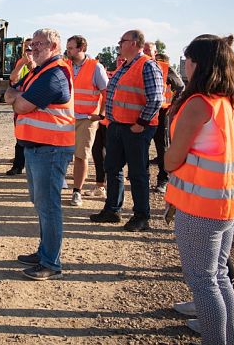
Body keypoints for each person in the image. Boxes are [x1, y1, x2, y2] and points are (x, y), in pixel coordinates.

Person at [163, 34, 234, 345]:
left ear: (198, 63)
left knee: (203, 280)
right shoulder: (233, 101)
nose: (183, 65)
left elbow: (172, 159)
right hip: (230, 202)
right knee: (219, 277)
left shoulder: (200, 102)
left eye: (187, 58)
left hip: (202, 205)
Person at [6, 28, 74, 280]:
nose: (33, 48)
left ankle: (51, 264)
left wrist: (17, 97)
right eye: (32, 43)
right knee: (41, 203)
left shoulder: (55, 73)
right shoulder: (39, 71)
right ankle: (45, 253)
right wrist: (17, 96)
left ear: (54, 47)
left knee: (49, 207)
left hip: (51, 148)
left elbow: (20, 103)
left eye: (39, 44)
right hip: (38, 148)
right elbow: (9, 94)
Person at [89, 30, 163, 231]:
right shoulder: (125, 66)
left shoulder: (147, 65)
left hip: (136, 129)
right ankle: (112, 210)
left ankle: (141, 216)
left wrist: (141, 123)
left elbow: (156, 98)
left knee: (138, 173)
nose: (119, 43)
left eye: (123, 41)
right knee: (112, 168)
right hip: (118, 126)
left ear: (135, 43)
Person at [65, 35, 108, 206]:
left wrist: (102, 114)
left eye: (71, 48)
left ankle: (77, 192)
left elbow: (107, 92)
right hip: (66, 117)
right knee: (61, 154)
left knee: (81, 156)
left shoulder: (95, 67)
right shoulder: (65, 65)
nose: (67, 51)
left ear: (81, 48)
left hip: (86, 119)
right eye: (67, 47)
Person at [143, 42, 185, 193]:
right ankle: (144, 178)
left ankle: (163, 180)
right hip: (142, 113)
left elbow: (181, 86)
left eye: (149, 50)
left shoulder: (164, 67)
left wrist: (174, 105)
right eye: (144, 49)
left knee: (162, 148)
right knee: (142, 147)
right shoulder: (136, 65)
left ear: (156, 52)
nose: (146, 52)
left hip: (161, 113)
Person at [86, 53, 126, 199]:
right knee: (97, 153)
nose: (120, 60)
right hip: (100, 119)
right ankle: (100, 185)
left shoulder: (128, 75)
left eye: (123, 59)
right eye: (119, 58)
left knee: (112, 157)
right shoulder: (109, 74)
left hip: (115, 121)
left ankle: (112, 190)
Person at [6, 38, 36, 176]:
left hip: (34, 108)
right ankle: (18, 166)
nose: (28, 49)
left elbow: (36, 75)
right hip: (20, 109)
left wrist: (30, 64)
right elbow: (13, 79)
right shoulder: (20, 61)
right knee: (19, 137)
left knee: (34, 139)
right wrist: (22, 64)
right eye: (26, 47)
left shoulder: (40, 62)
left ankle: (32, 167)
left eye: (31, 46)